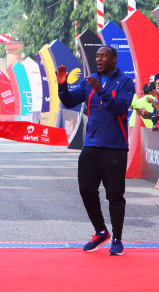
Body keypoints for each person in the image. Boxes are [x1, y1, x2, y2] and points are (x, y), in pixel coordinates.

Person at [56, 46, 135, 256]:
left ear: (114, 59)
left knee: (115, 195)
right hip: (91, 145)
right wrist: (62, 86)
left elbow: (120, 108)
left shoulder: (125, 82)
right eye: (97, 56)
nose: (99, 59)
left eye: (103, 56)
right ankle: (101, 231)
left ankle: (117, 240)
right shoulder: (89, 80)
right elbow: (71, 101)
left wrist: (101, 90)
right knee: (86, 189)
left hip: (115, 146)